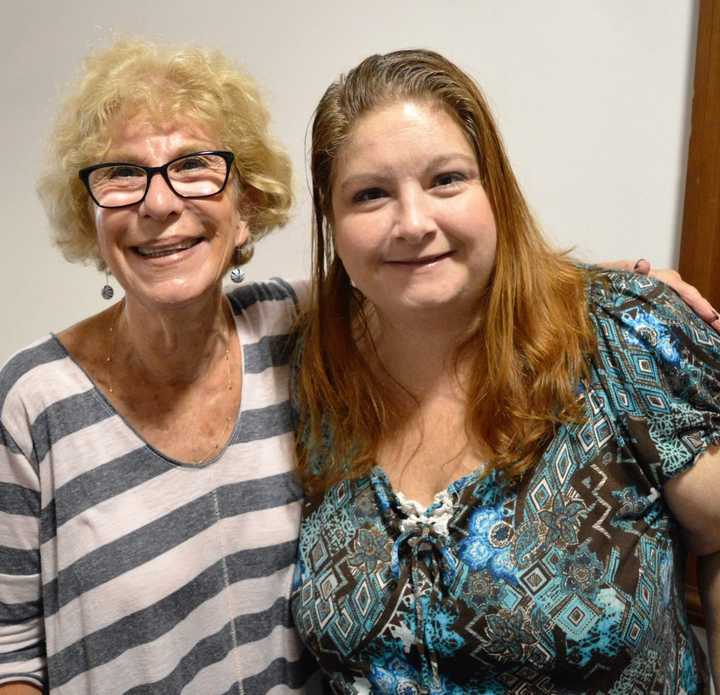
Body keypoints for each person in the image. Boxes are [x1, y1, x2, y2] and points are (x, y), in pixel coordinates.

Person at [291, 49, 720, 694]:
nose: (412, 223)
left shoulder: (625, 334)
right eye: (370, 194)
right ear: (332, 220)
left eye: (446, 180)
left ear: (495, 188)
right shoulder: (309, 371)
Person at [0, 39, 321, 694]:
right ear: (90, 216)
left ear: (247, 207)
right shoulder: (32, 401)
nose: (157, 203)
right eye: (122, 173)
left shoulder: (291, 331)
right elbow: (9, 657)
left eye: (194, 166)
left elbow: (436, 282)